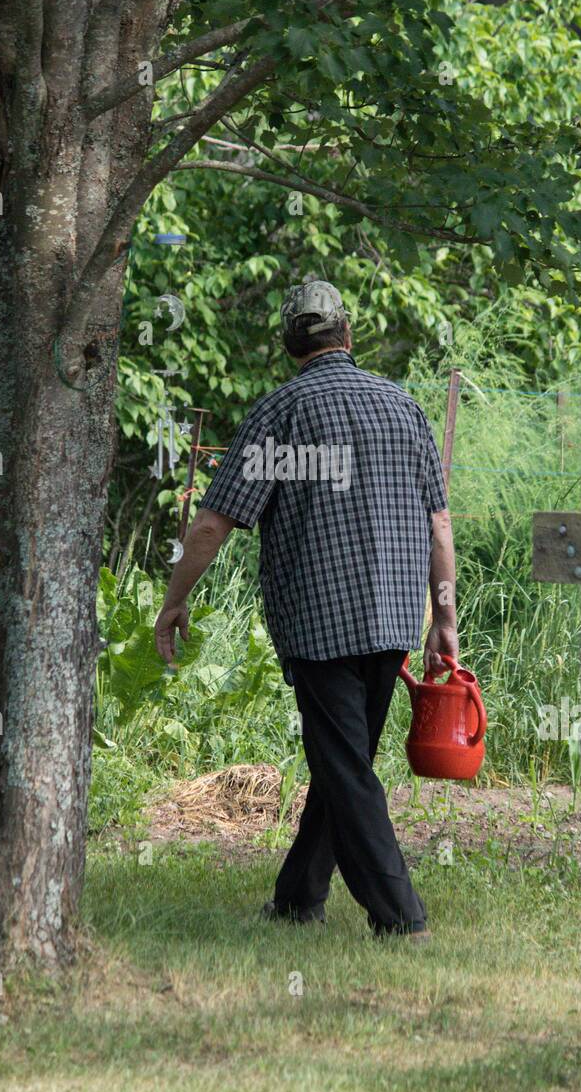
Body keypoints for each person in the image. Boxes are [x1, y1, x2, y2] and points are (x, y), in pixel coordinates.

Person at [154, 279, 459, 940]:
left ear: (292, 343)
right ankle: (298, 897)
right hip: (389, 625)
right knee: (343, 763)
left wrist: (174, 601)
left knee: (344, 769)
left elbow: (211, 527)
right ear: (349, 336)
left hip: (319, 628)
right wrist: (444, 622)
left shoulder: (280, 414)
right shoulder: (403, 408)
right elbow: (439, 527)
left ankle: (401, 919)